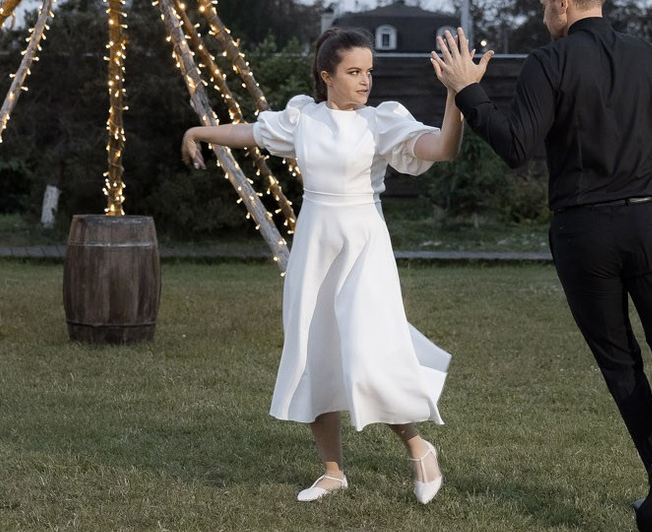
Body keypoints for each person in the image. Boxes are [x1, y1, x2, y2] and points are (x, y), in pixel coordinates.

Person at [434, 0, 652, 532]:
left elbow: (516, 147)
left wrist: (470, 93)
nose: (543, 13)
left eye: (544, 3)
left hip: (581, 233)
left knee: (620, 362)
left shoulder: (547, 63)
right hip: (650, 223)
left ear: (563, 3)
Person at [182, 27, 469, 504]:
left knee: (367, 349)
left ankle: (419, 447)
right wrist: (199, 131)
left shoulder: (381, 122)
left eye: (369, 72)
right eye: (354, 72)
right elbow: (249, 132)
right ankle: (333, 471)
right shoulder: (302, 120)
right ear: (326, 76)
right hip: (315, 243)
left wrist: (456, 95)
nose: (365, 82)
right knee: (314, 349)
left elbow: (443, 148)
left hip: (363, 244)